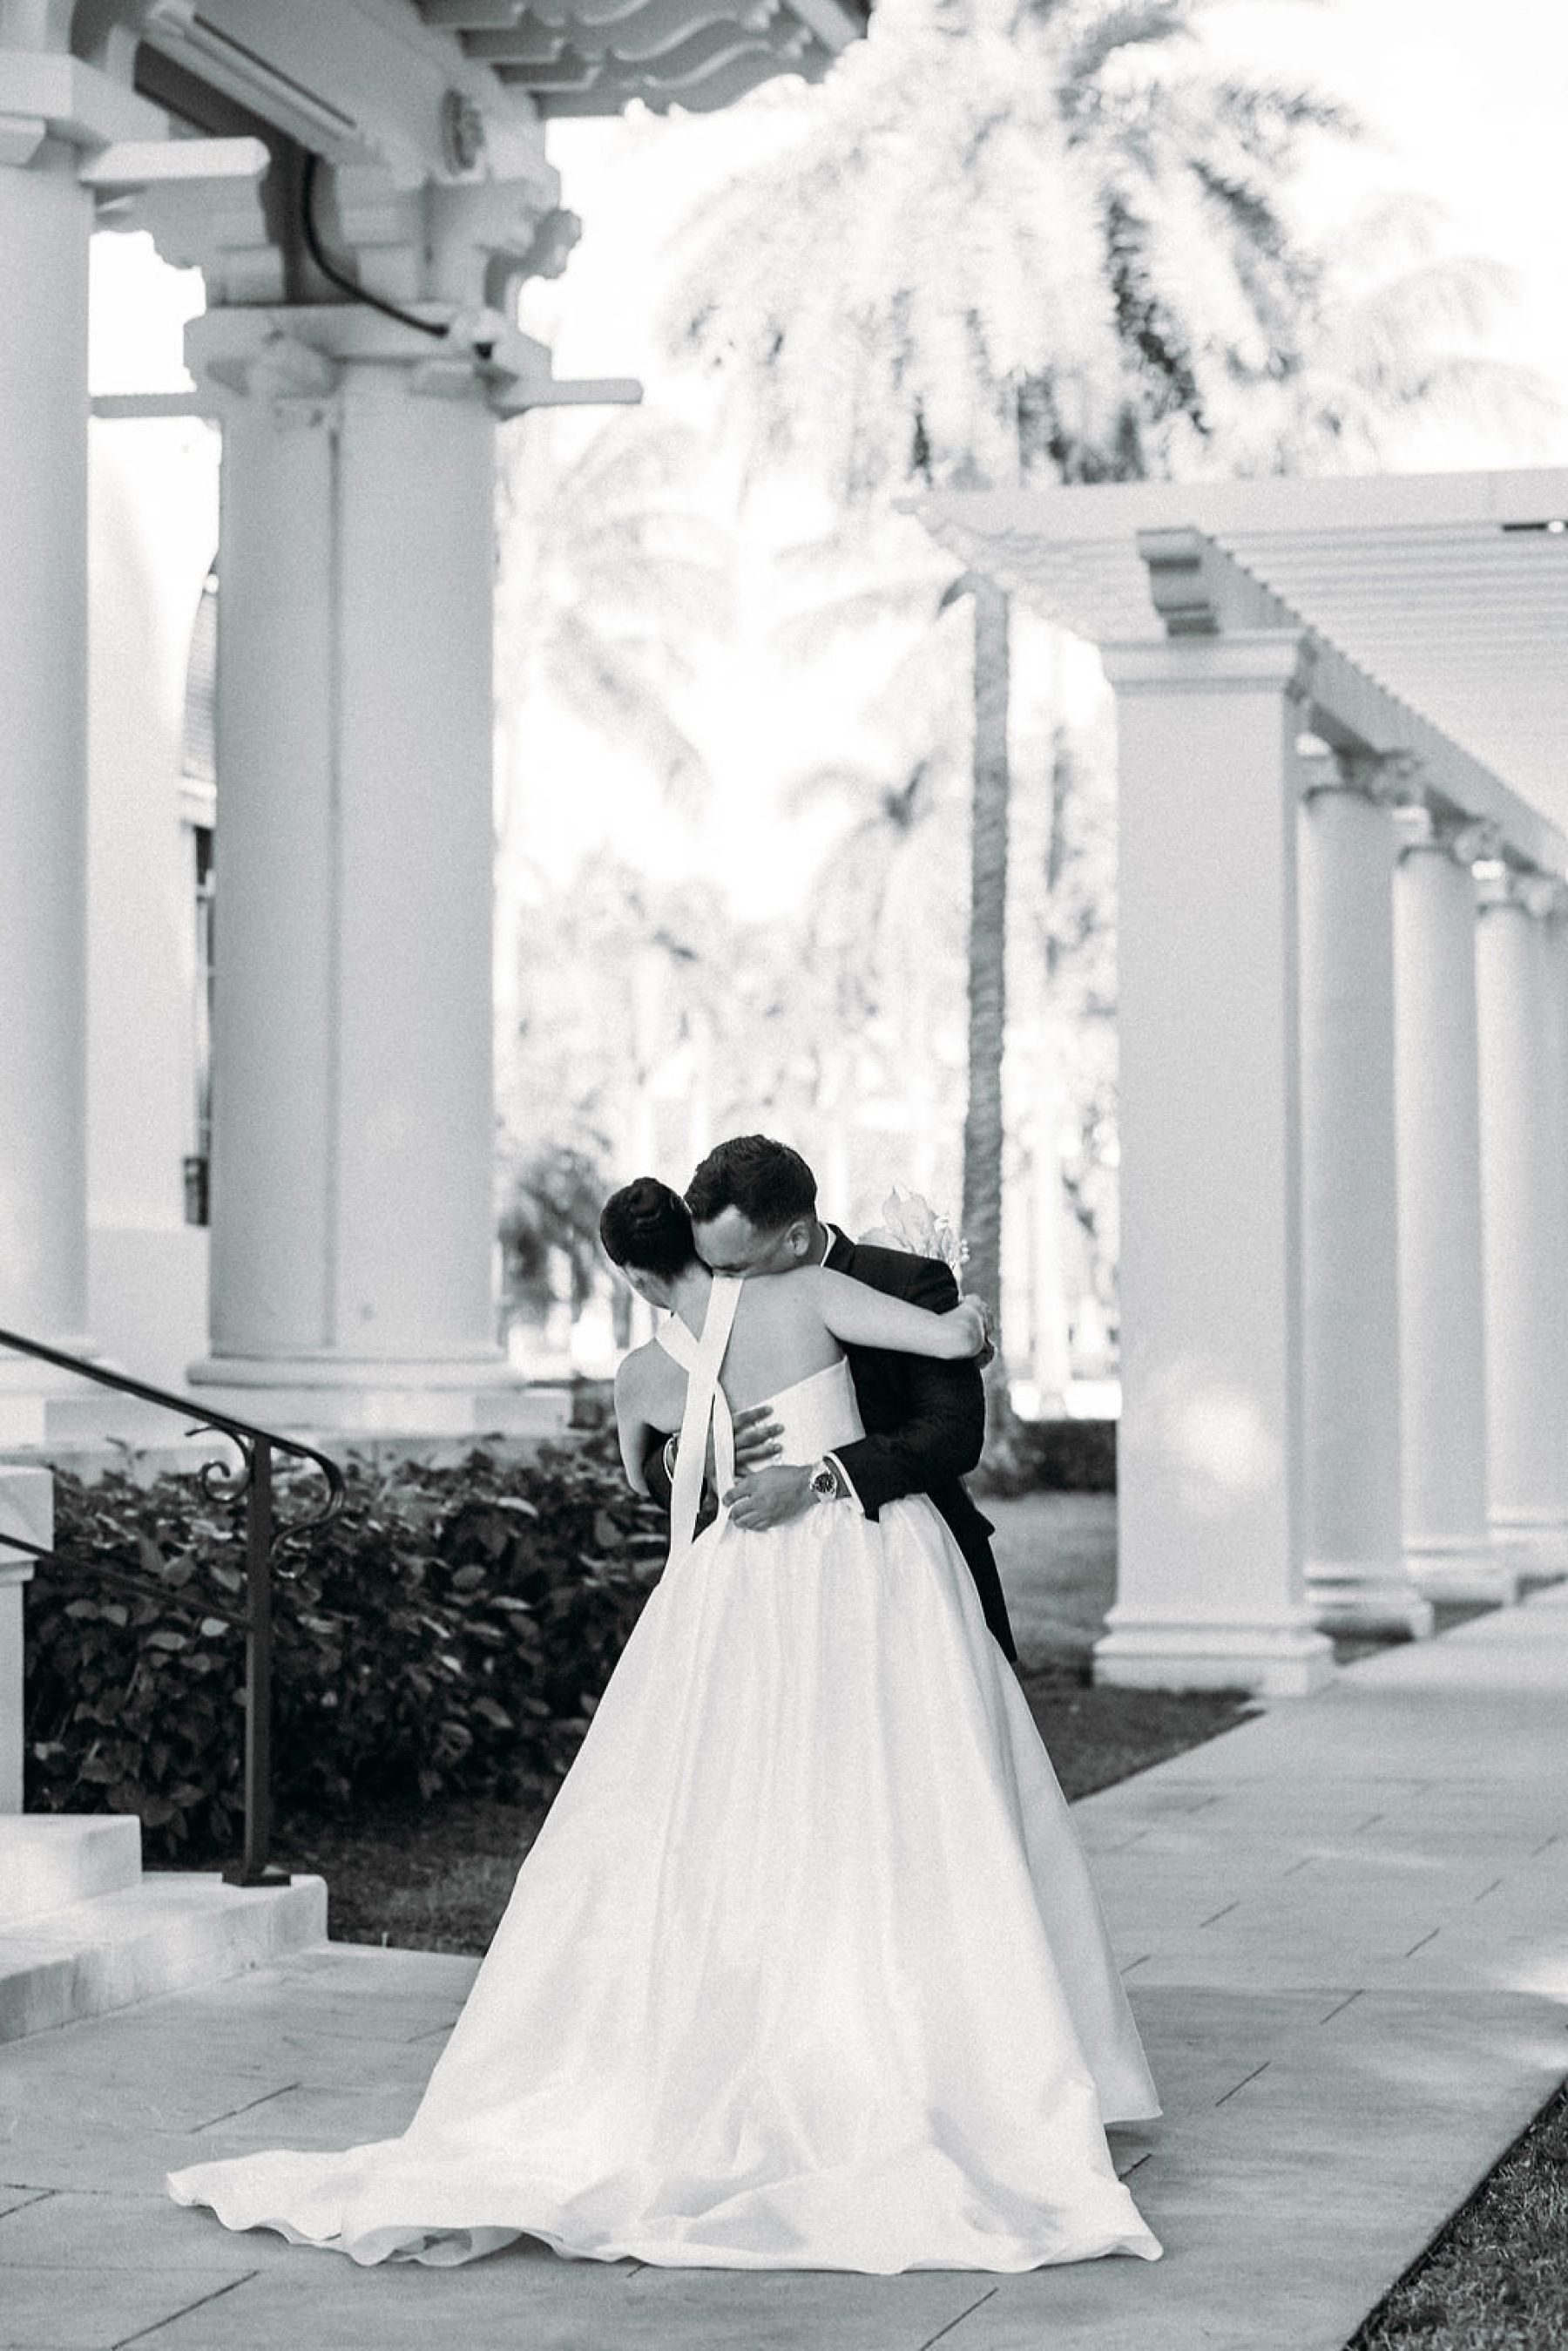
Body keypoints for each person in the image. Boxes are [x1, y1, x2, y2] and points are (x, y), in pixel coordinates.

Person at [166, 1174, 1160, 2273]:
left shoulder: (646, 1368)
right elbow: (953, 1336)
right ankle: (953, 2065)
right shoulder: (810, 1293)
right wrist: (962, 1315)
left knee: (723, 1814)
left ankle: (726, 2047)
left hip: (730, 1594)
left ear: (639, 1276)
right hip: (871, 1577)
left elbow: (664, 1491)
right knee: (898, 1800)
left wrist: (742, 1456)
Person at [646, 1134, 1018, 1661]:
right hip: (758, 1608)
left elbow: (952, 1435)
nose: (719, 1286)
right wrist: (693, 1455)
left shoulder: (903, 1282)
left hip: (913, 1584)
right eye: (712, 1268)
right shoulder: (711, 1300)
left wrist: (814, 1483)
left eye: (732, 1270)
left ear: (796, 1240)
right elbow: (653, 1455)